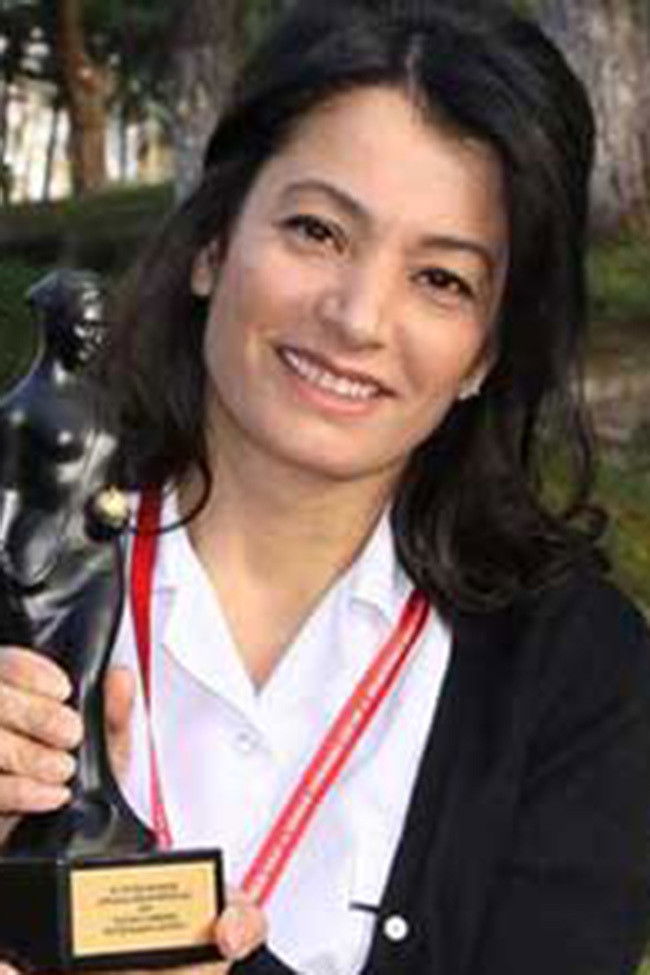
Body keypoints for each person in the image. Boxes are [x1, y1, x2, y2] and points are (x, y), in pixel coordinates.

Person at [1, 0, 650, 972]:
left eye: (441, 280)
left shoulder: (574, 671)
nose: (357, 317)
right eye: (316, 231)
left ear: (486, 351)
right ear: (214, 243)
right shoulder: (20, 545)